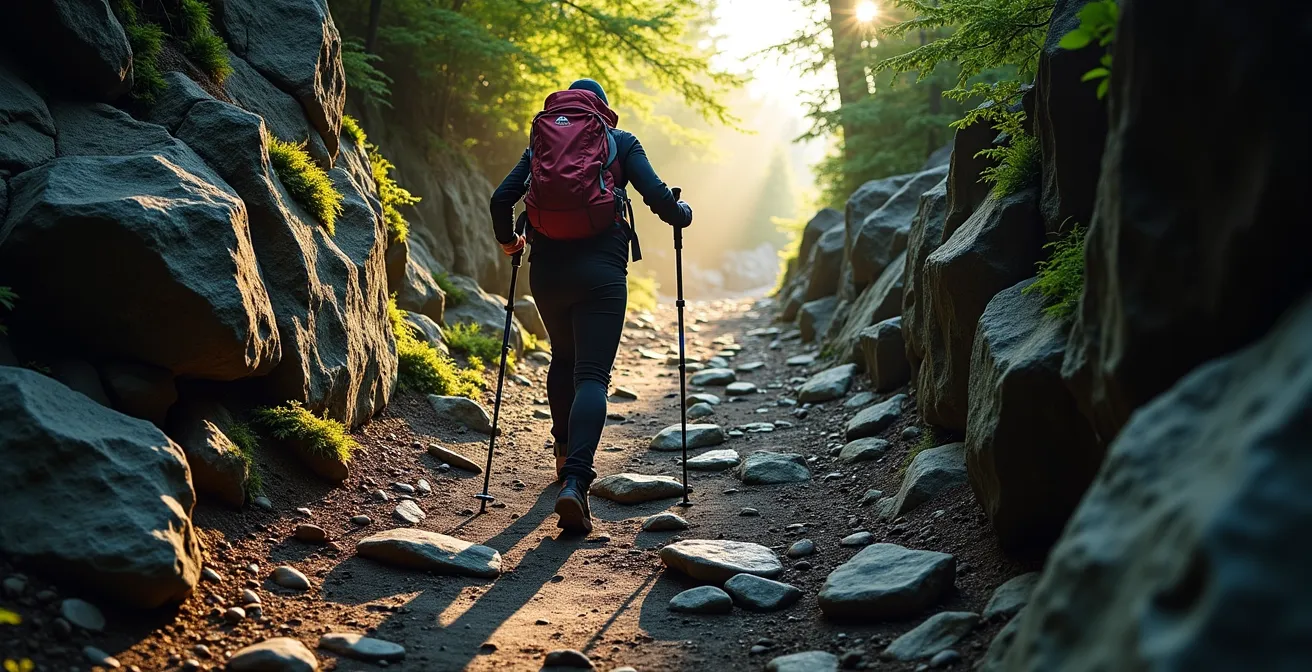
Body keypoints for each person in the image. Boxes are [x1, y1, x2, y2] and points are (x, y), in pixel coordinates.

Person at [489, 78, 692, 533]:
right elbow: (658, 197)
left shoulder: (539, 140)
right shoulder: (618, 141)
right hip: (602, 272)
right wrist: (683, 214)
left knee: (563, 358)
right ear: (603, 108)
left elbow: (502, 199)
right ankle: (576, 483)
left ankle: (563, 458)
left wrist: (509, 242)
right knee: (593, 376)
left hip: (547, 272)